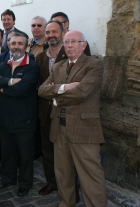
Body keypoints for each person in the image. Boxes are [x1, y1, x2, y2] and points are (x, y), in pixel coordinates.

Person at [38, 30, 107, 207]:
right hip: (59, 129)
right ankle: (66, 203)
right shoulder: (58, 67)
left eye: (74, 42)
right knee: (63, 173)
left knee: (90, 175)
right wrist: (65, 88)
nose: (69, 46)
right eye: (66, 42)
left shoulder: (94, 65)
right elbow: (42, 90)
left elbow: (83, 92)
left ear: (83, 45)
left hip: (83, 129)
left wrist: (55, 98)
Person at [0, 34, 39, 197]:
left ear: (25, 46)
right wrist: (10, 82)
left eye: (20, 43)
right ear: (9, 45)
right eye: (13, 43)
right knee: (7, 152)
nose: (16, 46)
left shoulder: (32, 66)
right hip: (5, 119)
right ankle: (8, 178)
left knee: (25, 155)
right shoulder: (4, 64)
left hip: (25, 120)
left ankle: (25, 184)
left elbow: (23, 89)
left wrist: (3, 88)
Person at [35, 20, 67, 197]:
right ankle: (52, 182)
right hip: (45, 112)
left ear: (62, 32)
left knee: (67, 153)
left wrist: (52, 89)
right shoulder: (40, 57)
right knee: (47, 151)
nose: (51, 35)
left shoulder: (69, 53)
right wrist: (52, 89)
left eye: (54, 31)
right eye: (48, 32)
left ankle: (71, 187)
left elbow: (73, 86)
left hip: (64, 110)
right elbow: (39, 86)